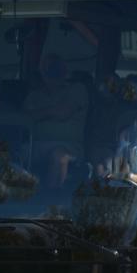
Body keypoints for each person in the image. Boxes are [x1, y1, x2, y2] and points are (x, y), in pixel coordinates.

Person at [24, 54, 88, 187]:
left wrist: (40, 113)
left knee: (59, 155)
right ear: (41, 71)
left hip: (69, 146)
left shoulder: (77, 89)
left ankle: (49, 196)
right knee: (10, 153)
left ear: (65, 69)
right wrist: (52, 111)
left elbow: (63, 113)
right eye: (47, 67)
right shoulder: (34, 95)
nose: (52, 70)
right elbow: (25, 119)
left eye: (55, 66)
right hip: (34, 146)